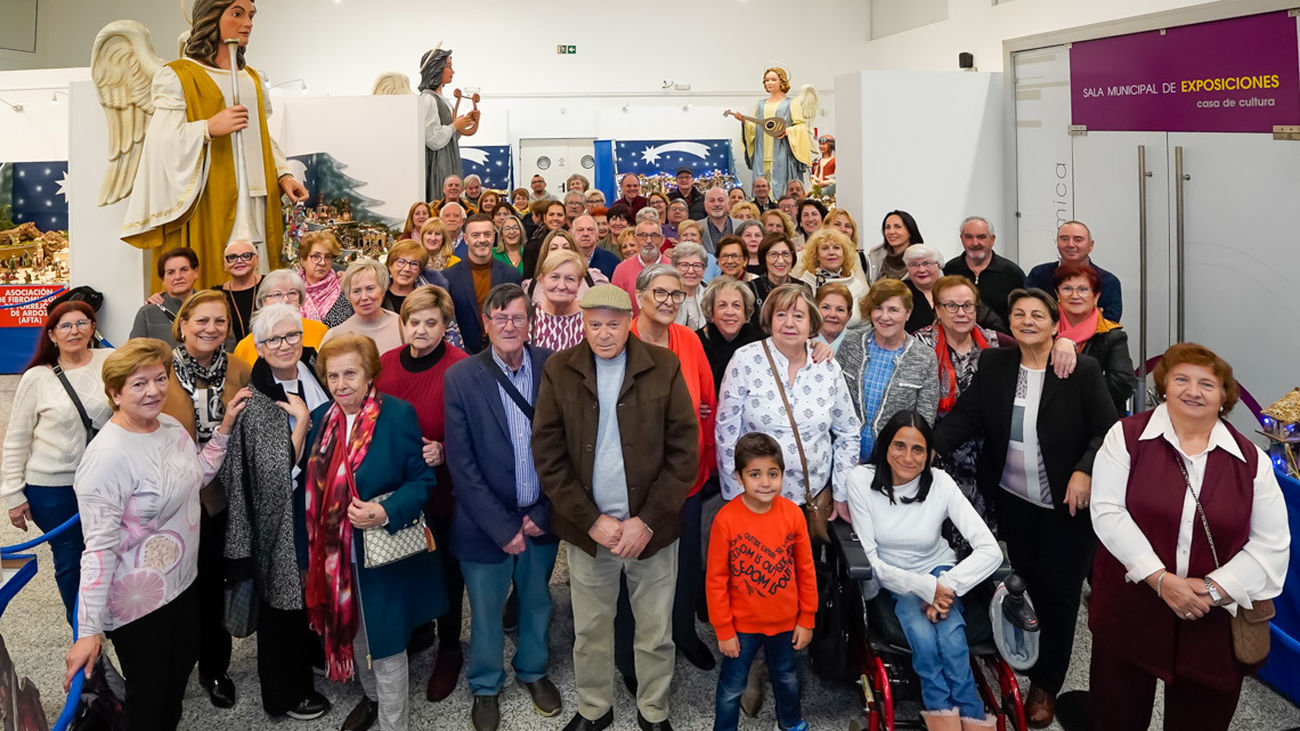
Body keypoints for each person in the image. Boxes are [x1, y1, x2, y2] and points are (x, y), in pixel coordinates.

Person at [932, 288, 1118, 728]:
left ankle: (1046, 684)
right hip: (1014, 503)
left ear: (1057, 325)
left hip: (1065, 509)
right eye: (1019, 314)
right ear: (1009, 323)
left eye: (1038, 315)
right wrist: (920, 452)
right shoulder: (996, 364)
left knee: (1060, 595)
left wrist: (1085, 470)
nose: (1027, 321)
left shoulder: (1080, 369)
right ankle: (1022, 653)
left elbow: (1108, 430)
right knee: (1026, 584)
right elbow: (965, 417)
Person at [1088, 343, 1290, 731]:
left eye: (1207, 384)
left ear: (1224, 397)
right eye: (1181, 379)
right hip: (1131, 608)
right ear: (1164, 386)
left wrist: (1211, 590)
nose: (1192, 391)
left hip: (1211, 621)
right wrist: (1160, 580)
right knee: (1116, 714)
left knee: (1201, 720)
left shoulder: (1252, 462)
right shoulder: (1126, 437)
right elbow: (1108, 512)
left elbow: (1271, 544)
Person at [531, 284, 699, 731]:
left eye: (613, 324)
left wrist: (646, 520)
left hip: (652, 530)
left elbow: (684, 452)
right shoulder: (559, 369)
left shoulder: (663, 366)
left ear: (631, 322)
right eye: (594, 325)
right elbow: (547, 454)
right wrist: (592, 521)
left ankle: (654, 710)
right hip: (591, 531)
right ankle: (594, 709)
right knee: (590, 631)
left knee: (654, 631)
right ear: (581, 324)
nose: (604, 334)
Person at [64, 338, 249, 731]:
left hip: (183, 585)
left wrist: (225, 430)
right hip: (137, 606)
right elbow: (97, 550)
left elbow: (196, 476)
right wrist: (89, 631)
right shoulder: (106, 457)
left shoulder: (168, 426)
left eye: (159, 379)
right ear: (114, 393)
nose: (154, 391)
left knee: (176, 681)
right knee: (150, 699)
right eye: (138, 384)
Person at [303, 334, 448, 731]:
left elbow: (421, 481)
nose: (341, 383)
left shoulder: (397, 415)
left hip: (381, 555)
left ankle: (393, 723)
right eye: (333, 375)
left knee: (386, 645)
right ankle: (371, 699)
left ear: (370, 376)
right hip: (336, 560)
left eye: (350, 373)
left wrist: (385, 510)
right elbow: (308, 494)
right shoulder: (319, 419)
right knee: (355, 635)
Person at [119, 0, 308, 291]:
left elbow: (262, 137)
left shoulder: (252, 79)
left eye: (251, 15)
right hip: (211, 198)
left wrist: (283, 173)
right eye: (237, 13)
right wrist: (207, 128)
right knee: (218, 277)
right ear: (211, 17)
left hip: (259, 194)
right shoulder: (179, 75)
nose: (248, 23)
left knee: (261, 276)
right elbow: (161, 141)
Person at [445, 283, 562, 730]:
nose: (509, 326)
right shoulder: (461, 377)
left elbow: (567, 446)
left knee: (536, 601)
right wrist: (502, 526)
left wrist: (542, 514)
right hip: (483, 523)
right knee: (486, 609)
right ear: (487, 325)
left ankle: (533, 670)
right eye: (500, 318)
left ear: (530, 321)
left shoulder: (552, 366)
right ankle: (486, 684)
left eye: (518, 317)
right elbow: (462, 461)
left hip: (540, 516)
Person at [845, 411, 1002, 731]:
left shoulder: (940, 483)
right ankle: (943, 714)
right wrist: (923, 588)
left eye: (917, 449)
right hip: (894, 577)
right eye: (898, 446)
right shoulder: (861, 480)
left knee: (952, 638)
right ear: (885, 446)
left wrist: (945, 585)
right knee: (924, 639)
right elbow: (873, 561)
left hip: (939, 570)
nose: (907, 457)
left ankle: (970, 715)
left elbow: (991, 549)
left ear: (929, 453)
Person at [214, 302, 331, 720]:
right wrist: (300, 428)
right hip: (281, 519)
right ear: (258, 348)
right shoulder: (256, 401)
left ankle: (316, 661)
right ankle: (287, 694)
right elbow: (270, 477)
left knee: (309, 598)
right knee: (282, 608)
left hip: (320, 509)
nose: (285, 345)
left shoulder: (315, 374)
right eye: (273, 340)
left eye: (292, 336)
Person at [616, 265, 718, 680]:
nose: (668, 301)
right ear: (639, 295)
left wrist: (704, 457)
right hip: (633, 485)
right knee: (632, 569)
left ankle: (681, 632)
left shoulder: (689, 340)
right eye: (659, 292)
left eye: (676, 295)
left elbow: (708, 403)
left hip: (685, 480)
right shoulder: (620, 340)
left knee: (685, 566)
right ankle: (627, 650)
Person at [373, 287, 471, 706]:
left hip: (446, 490)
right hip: (397, 491)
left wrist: (445, 449)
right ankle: (418, 634)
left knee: (447, 569)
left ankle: (449, 645)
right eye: (414, 321)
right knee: (407, 564)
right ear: (403, 324)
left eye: (431, 322)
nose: (422, 330)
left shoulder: (462, 367)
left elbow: (478, 430)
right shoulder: (385, 365)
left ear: (446, 325)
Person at [157, 291, 251, 709]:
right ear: (183, 325)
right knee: (172, 590)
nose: (210, 329)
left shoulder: (240, 369)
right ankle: (171, 672)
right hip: (169, 500)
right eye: (201, 321)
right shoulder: (159, 370)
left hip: (219, 498)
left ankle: (215, 669)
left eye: (219, 322)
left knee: (213, 586)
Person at [4, 302, 112, 625]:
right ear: (51, 335)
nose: (75, 330)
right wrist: (13, 494)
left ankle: (114, 621)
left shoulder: (112, 361)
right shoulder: (38, 377)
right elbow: (16, 439)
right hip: (52, 489)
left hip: (106, 481)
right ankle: (83, 631)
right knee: (71, 560)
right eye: (65, 326)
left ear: (93, 328)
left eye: (82, 322)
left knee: (109, 551)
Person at [715, 284, 860, 520]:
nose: (789, 323)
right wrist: (735, 496)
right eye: (781, 314)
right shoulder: (745, 360)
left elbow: (848, 432)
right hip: (756, 499)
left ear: (812, 323)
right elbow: (726, 433)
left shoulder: (827, 367)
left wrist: (842, 493)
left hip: (811, 500)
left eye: (799, 316)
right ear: (769, 320)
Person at [708, 432, 816, 731]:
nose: (765, 482)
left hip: (785, 622)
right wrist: (723, 629)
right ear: (739, 477)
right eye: (755, 474)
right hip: (741, 626)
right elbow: (716, 580)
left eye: (773, 473)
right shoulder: (726, 520)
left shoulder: (793, 515)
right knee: (731, 686)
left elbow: (806, 570)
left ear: (782, 474)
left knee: (786, 676)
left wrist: (806, 618)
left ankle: (791, 723)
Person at [912, 276, 1007, 532]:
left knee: (980, 534)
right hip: (937, 452)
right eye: (951, 306)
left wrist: (1062, 343)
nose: (961, 313)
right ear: (938, 310)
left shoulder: (997, 345)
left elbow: (1038, 349)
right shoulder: (918, 345)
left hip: (986, 456)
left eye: (968, 306)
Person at [836, 278, 940, 462]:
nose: (884, 317)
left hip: (893, 462)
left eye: (893, 310)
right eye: (878, 308)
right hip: (843, 456)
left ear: (908, 313)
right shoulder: (851, 343)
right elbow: (833, 396)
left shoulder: (925, 356)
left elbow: (924, 418)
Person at [1051, 263, 1137, 416]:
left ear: (1096, 296)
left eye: (1083, 289)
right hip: (1050, 416)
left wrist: (1071, 382)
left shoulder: (1112, 335)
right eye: (1067, 289)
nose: (1074, 295)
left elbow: (1123, 385)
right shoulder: (1044, 331)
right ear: (1057, 294)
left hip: (1097, 419)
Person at [444, 214, 523, 352]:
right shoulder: (448, 278)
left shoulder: (511, 275)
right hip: (462, 355)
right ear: (466, 239)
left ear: (494, 237)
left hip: (503, 353)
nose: (482, 240)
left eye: (487, 234)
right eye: (475, 235)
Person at [730, 67, 813, 195]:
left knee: (781, 188)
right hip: (762, 152)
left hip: (782, 153)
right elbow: (756, 127)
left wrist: (787, 131)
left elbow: (800, 126)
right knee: (762, 184)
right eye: (766, 80)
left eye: (773, 79)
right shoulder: (760, 104)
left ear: (782, 81)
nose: (769, 83)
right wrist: (745, 122)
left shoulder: (791, 103)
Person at [1026, 220, 1122, 321]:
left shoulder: (1108, 281)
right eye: (1064, 239)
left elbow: (1109, 324)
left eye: (1078, 239)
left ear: (1091, 245)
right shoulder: (1039, 274)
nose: (1070, 244)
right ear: (1057, 243)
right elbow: (1026, 313)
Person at [231, 269, 329, 365]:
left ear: (300, 300)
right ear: (263, 301)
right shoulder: (245, 346)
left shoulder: (320, 331)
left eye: (292, 293)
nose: (285, 300)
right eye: (277, 294)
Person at [942, 216, 1025, 326]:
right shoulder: (950, 270)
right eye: (969, 237)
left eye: (981, 237)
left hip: (1003, 341)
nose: (975, 243)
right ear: (962, 239)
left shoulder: (1012, 273)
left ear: (992, 240)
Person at [418, 46, 472, 201]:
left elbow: (447, 137)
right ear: (436, 69)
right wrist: (455, 126)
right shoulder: (428, 99)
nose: (452, 71)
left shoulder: (441, 99)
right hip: (438, 164)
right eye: (448, 66)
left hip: (448, 158)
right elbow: (433, 139)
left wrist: (462, 126)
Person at [321, 258, 403, 353]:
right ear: (348, 296)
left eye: (370, 289)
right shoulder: (335, 335)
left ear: (383, 290)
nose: (364, 297)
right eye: (356, 291)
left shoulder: (401, 326)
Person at [696, 277, 763, 393]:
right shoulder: (696, 342)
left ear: (746, 312)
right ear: (710, 311)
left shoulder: (760, 343)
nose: (730, 312)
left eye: (736, 305)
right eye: (722, 305)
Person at [795, 229, 869, 326]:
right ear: (816, 255)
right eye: (825, 248)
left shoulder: (857, 286)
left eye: (836, 247)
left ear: (844, 254)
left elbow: (865, 324)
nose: (831, 252)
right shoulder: (804, 285)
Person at [131, 247, 200, 344]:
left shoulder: (211, 307)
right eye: (170, 272)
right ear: (162, 279)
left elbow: (227, 346)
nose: (178, 277)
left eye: (184, 270)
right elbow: (133, 352)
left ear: (196, 272)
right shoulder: (148, 313)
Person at [530, 250, 588, 352]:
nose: (561, 286)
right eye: (555, 277)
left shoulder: (590, 319)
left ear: (579, 284)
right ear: (541, 281)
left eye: (570, 279)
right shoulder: (527, 316)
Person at [747, 232, 809, 325]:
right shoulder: (751, 289)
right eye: (773, 254)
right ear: (764, 258)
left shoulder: (804, 288)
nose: (780, 261)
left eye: (785, 254)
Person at [297, 231, 353, 328]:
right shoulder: (290, 289)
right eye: (316, 256)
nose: (322, 262)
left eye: (327, 257)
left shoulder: (343, 288)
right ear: (303, 260)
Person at [611, 219, 670, 309]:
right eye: (643, 235)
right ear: (636, 239)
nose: (649, 240)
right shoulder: (621, 269)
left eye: (654, 235)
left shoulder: (673, 267)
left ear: (662, 240)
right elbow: (615, 306)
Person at [217, 239, 263, 343]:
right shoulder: (217, 295)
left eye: (246, 255)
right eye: (232, 257)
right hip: (233, 355)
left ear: (256, 260)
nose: (239, 261)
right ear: (225, 264)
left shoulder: (270, 284)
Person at [867, 210, 923, 283]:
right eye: (887, 227)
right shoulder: (874, 257)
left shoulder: (924, 258)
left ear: (910, 231)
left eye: (897, 227)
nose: (891, 232)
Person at [903, 244, 944, 334]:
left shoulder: (951, 289)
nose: (921, 270)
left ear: (938, 265)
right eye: (914, 264)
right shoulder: (899, 292)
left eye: (927, 263)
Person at [521, 200, 569, 276]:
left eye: (559, 215)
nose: (555, 218)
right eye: (551, 214)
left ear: (565, 219)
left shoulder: (572, 245)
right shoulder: (531, 247)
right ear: (545, 218)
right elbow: (528, 278)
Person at [670, 243, 709, 330]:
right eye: (684, 265)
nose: (691, 271)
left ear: (704, 269)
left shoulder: (712, 297)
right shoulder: (665, 298)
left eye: (697, 265)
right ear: (674, 268)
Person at [383, 239, 428, 314]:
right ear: (390, 265)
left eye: (414, 264)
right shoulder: (378, 297)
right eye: (401, 262)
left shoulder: (427, 300)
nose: (407, 269)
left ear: (420, 270)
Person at [572, 213, 621, 280]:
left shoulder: (612, 261)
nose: (585, 234)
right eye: (580, 230)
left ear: (597, 234)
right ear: (572, 234)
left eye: (590, 229)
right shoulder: (564, 259)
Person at [698, 187, 742, 255]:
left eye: (721, 200)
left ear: (728, 203)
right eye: (712, 201)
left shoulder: (741, 226)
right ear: (705, 205)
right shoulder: (696, 227)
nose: (717, 204)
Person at [813, 282, 853, 353]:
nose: (832, 315)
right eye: (826, 307)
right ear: (815, 310)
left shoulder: (858, 343)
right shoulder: (804, 340)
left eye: (840, 310)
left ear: (849, 315)